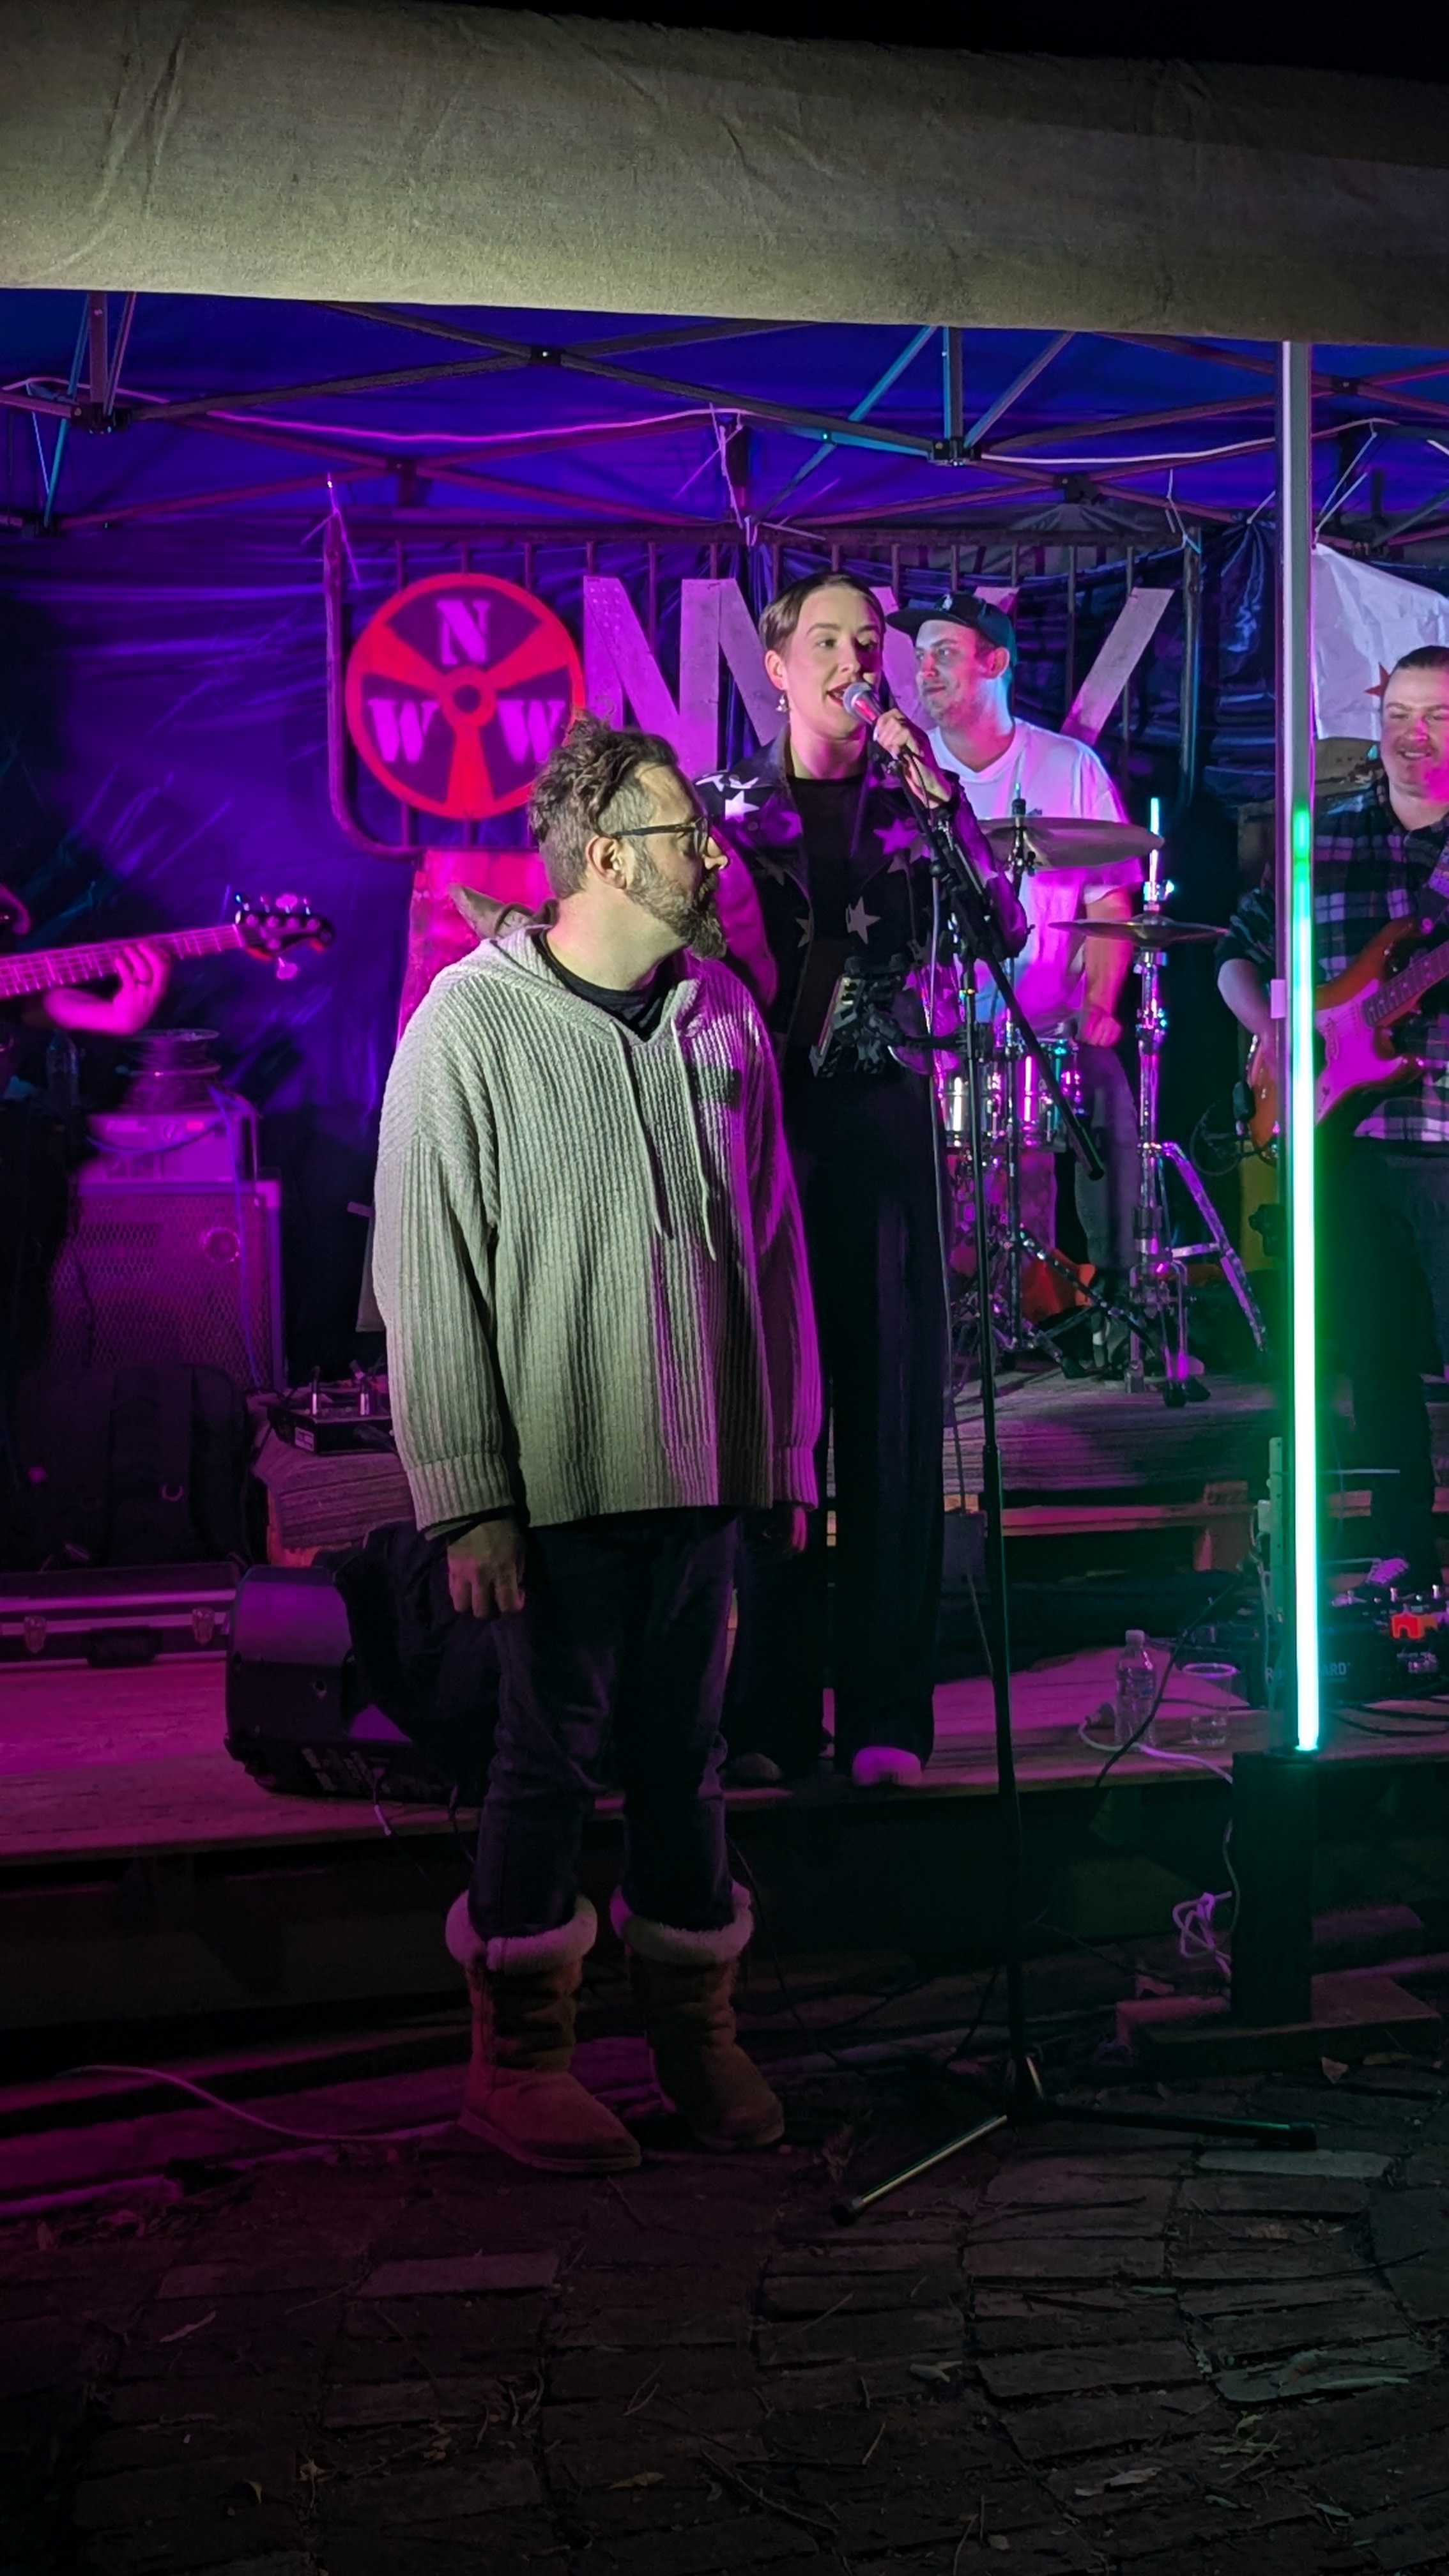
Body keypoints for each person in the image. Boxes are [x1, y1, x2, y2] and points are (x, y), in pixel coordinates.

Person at [372, 714, 819, 2176]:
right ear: (610, 856)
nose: (713, 854)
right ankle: (519, 2062)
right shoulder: (470, 1022)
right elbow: (427, 1272)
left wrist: (789, 1448)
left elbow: (774, 1253)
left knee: (686, 1755)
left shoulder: (723, 1014)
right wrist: (468, 1500)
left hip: (703, 1460)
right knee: (547, 1755)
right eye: (686, 831)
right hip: (556, 1476)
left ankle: (696, 2030)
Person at [698, 571, 1024, 1793]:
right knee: (775, 1426)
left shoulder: (914, 799)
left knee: (890, 1421)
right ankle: (770, 1710)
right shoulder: (720, 808)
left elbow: (1001, 930)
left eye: (868, 641)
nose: (853, 661)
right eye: (826, 641)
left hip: (884, 1125)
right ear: (777, 668)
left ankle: (888, 1709)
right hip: (760, 1131)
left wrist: (937, 790)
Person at [1218, 645, 1449, 1593]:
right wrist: (1273, 1027)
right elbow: (1237, 952)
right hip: (1343, 1142)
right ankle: (1406, 1569)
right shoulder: (1324, 837)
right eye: (1398, 715)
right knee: (1379, 1367)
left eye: (1437, 717)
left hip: (1441, 1135)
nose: (1413, 736)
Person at [889, 592, 1141, 1324]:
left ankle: (1111, 1300)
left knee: (1109, 1101)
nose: (925, 671)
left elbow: (1109, 904)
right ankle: (929, 1302)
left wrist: (1099, 1007)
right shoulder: (904, 774)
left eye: (944, 654)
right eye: (921, 657)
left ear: (996, 662)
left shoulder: (1068, 766)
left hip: (1049, 1024)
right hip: (937, 1030)